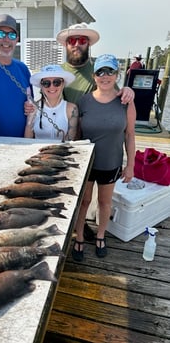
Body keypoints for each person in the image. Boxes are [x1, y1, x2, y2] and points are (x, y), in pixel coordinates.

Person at [25, 22, 135, 242]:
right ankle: (72, 232)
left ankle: (84, 231)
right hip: (62, 143)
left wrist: (128, 90)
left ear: (89, 44)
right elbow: (41, 99)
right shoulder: (58, 71)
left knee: (92, 199)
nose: (76, 44)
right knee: (70, 198)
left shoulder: (98, 69)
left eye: (82, 40)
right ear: (66, 45)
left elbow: (112, 88)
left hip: (94, 147)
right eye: (72, 40)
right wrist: (31, 108)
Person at [72, 54, 136, 261]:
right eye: (100, 72)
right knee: (84, 201)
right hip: (87, 164)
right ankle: (79, 236)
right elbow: (77, 135)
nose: (105, 76)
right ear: (94, 76)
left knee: (104, 202)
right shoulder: (83, 101)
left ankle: (101, 235)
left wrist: (131, 166)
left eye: (110, 71)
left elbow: (130, 135)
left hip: (111, 162)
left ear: (117, 75)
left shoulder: (126, 101)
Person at [24, 64, 78, 141]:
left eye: (56, 82)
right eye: (46, 83)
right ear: (41, 86)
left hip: (60, 152)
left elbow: (70, 140)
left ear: (63, 84)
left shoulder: (72, 109)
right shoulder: (33, 107)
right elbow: (27, 139)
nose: (52, 87)